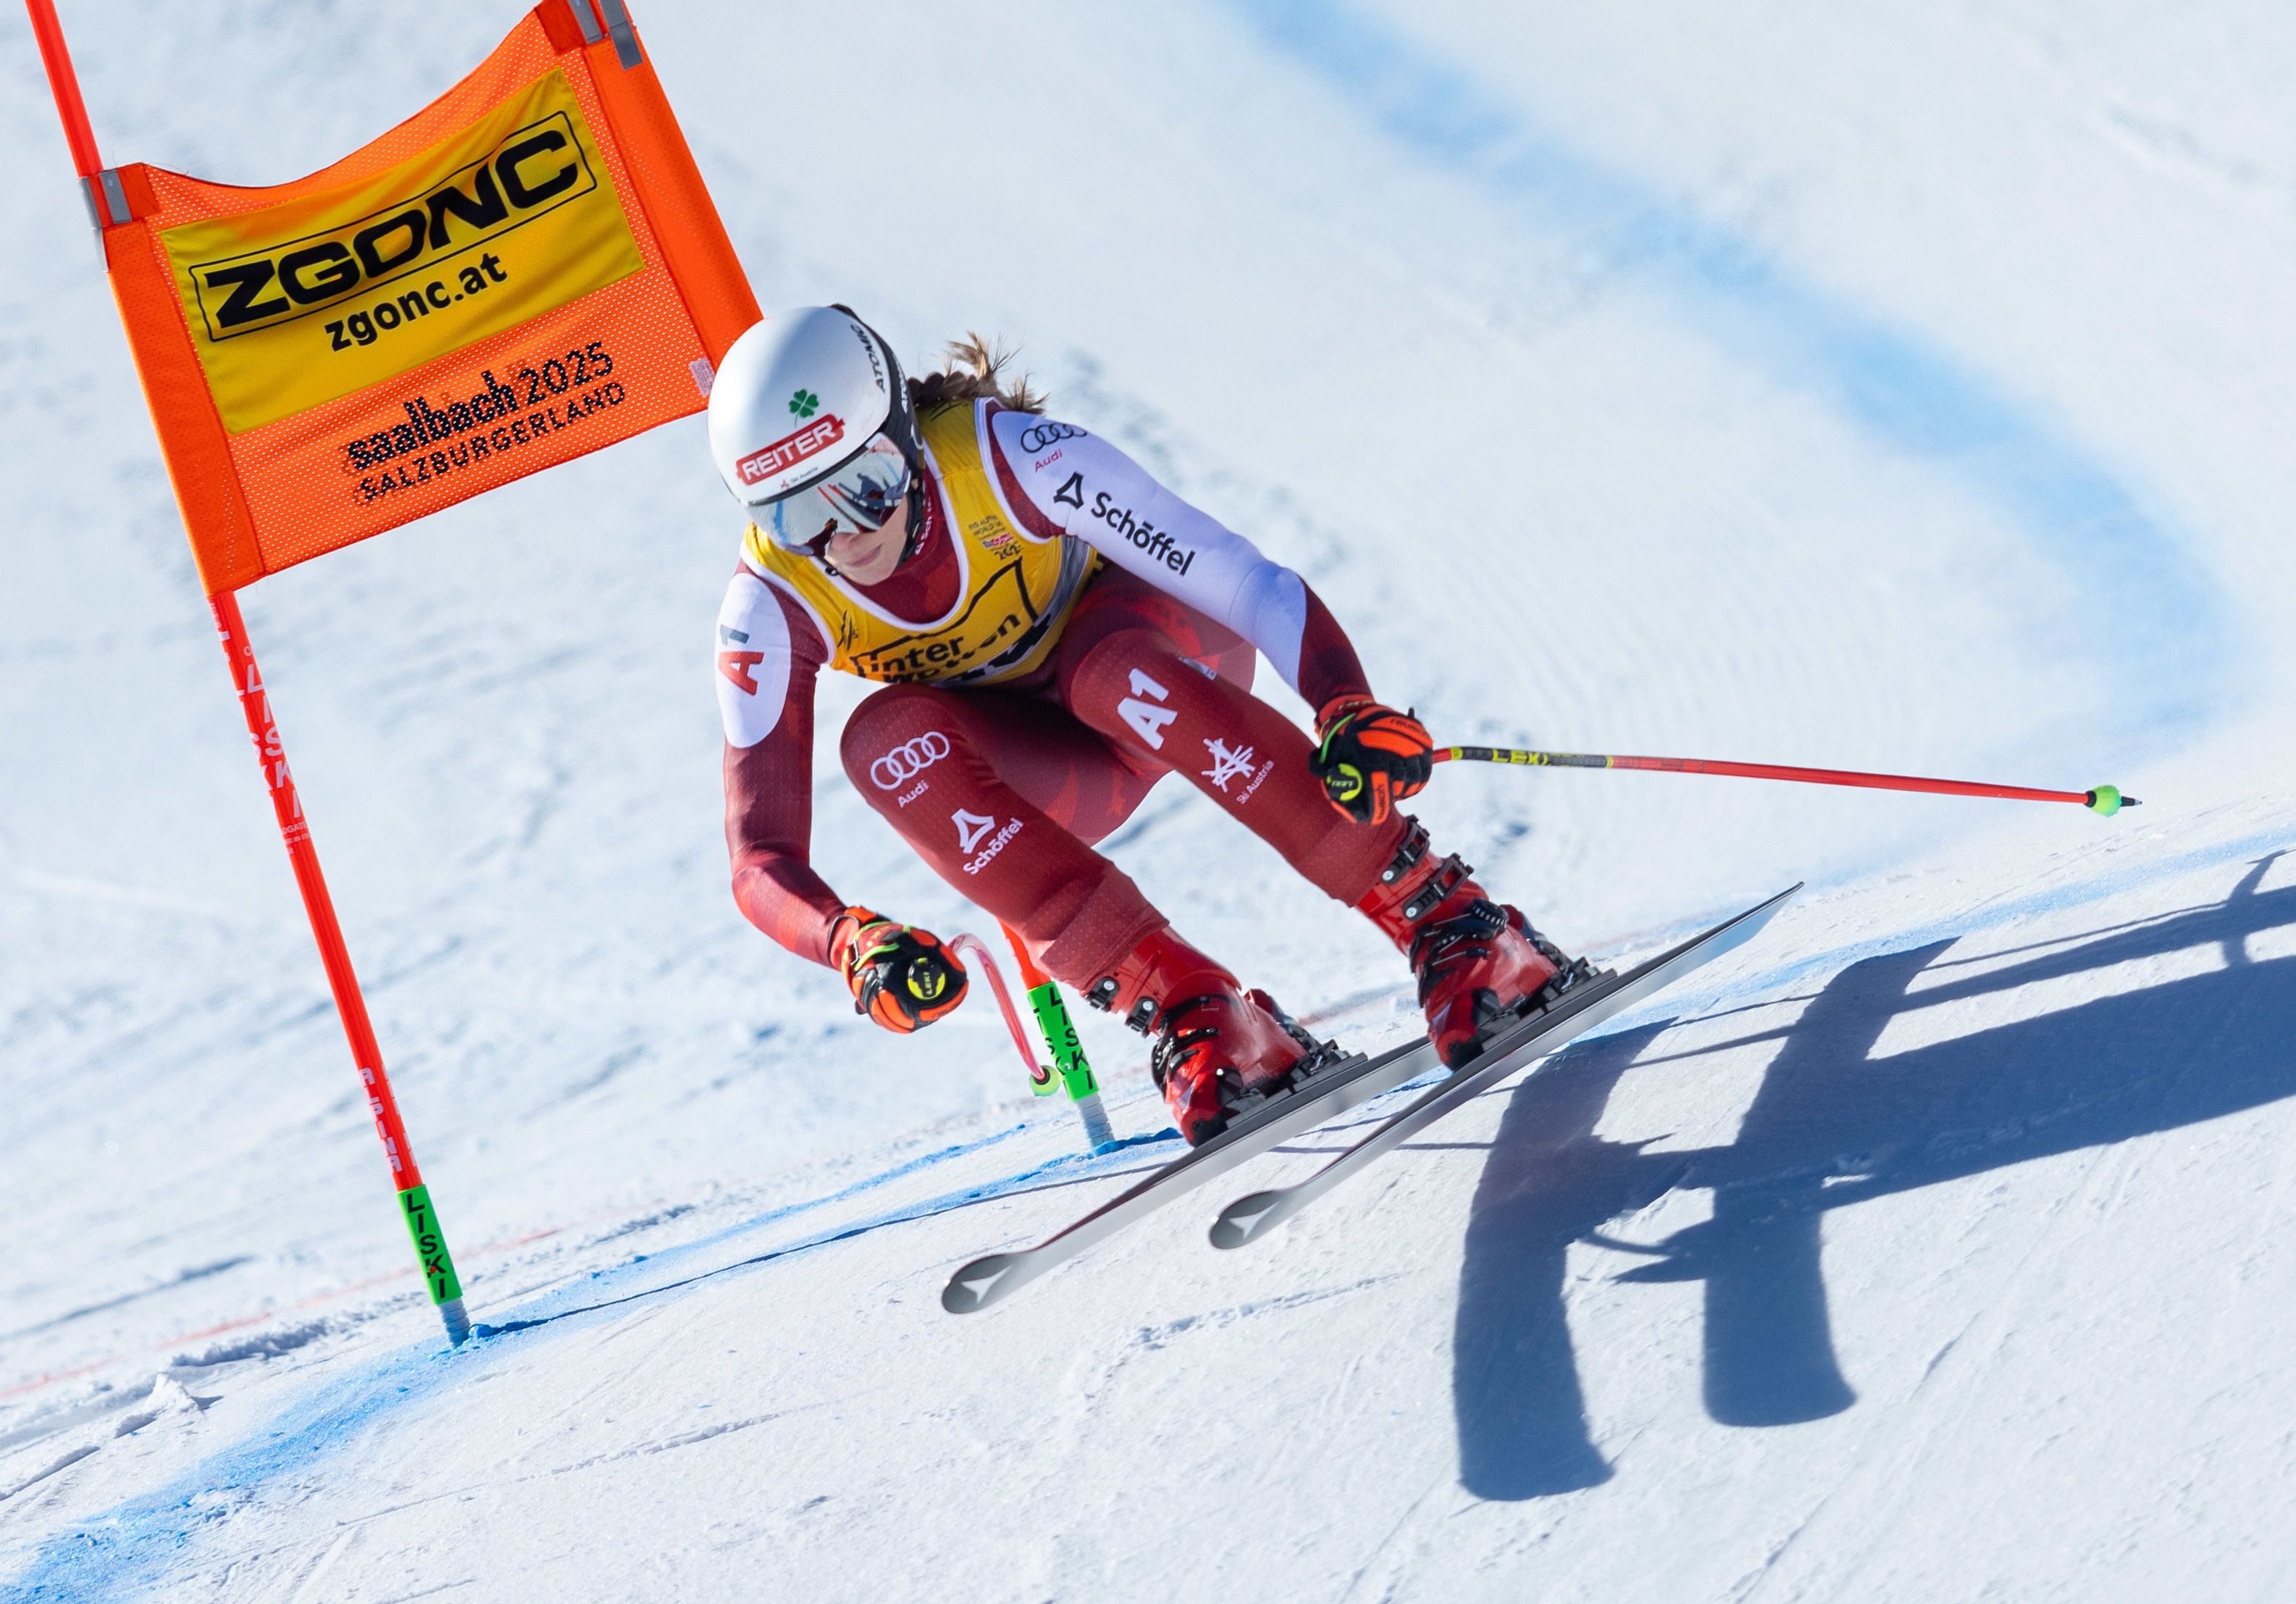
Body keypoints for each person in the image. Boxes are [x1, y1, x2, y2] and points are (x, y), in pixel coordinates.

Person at [708, 306, 1582, 1144]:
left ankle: (1450, 919)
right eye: (798, 517)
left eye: (865, 489)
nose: (845, 538)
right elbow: (760, 862)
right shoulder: (772, 604)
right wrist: (849, 941)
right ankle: (1197, 1010)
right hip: (1055, 765)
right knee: (883, 744)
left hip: (1164, 659)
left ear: (901, 436)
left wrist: (1341, 699)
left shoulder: (1009, 462)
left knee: (1108, 672)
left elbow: (1248, 584)